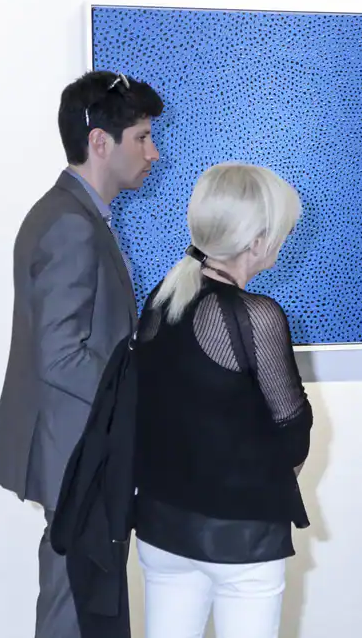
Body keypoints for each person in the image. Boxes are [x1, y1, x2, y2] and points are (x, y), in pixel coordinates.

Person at [0, 70, 163, 638]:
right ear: (99, 142)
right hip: (75, 452)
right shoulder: (71, 224)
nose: (153, 152)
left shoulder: (72, 215)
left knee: (85, 604)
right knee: (75, 607)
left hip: (77, 446)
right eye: (141, 137)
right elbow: (61, 354)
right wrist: (132, 401)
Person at [131, 162, 313, 638]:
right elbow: (293, 435)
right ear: (256, 242)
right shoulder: (257, 316)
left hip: (162, 528)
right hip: (243, 540)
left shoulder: (161, 301)